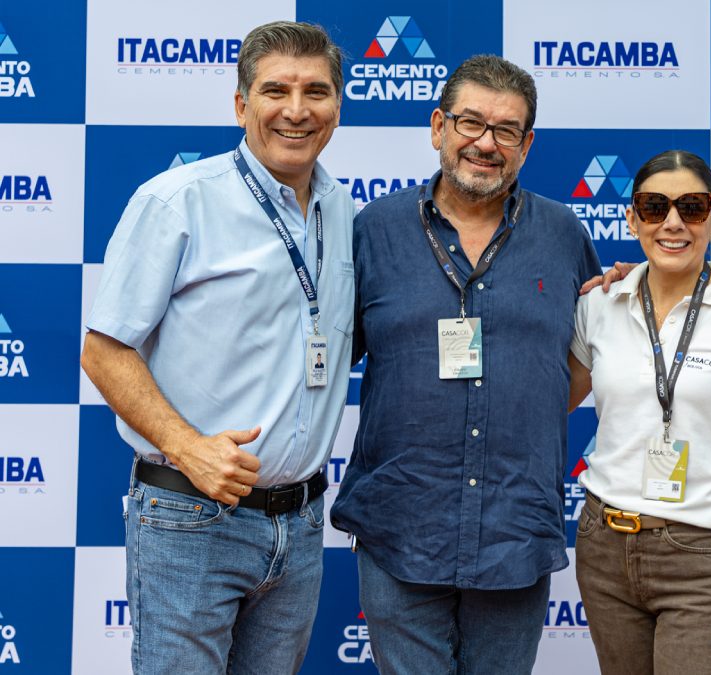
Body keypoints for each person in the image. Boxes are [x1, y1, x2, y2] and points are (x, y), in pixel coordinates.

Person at [79, 21, 354, 674]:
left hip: (300, 525)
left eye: (315, 91)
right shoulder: (178, 201)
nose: (296, 110)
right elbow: (103, 349)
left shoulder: (339, 209)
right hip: (192, 516)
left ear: (337, 107)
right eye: (275, 90)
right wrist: (189, 447)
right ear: (240, 104)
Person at [330, 54, 602, 675]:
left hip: (515, 529)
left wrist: (522, 403)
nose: (486, 143)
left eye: (506, 130)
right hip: (401, 522)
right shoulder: (374, 230)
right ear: (438, 127)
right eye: (471, 122)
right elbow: (327, 356)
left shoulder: (563, 233)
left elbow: (589, 353)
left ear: (527, 145)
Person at [567, 150, 711, 675]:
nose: (672, 223)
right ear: (632, 219)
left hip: (705, 556)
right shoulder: (600, 304)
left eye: (691, 208)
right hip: (605, 548)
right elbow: (549, 404)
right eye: (654, 207)